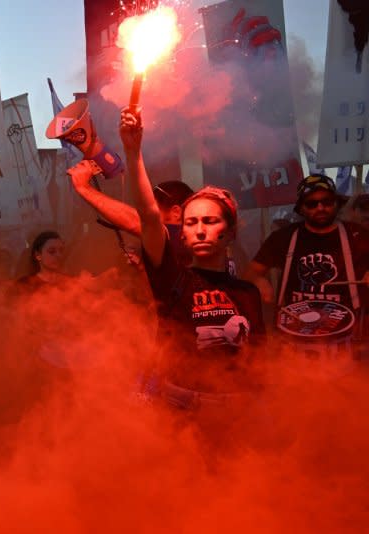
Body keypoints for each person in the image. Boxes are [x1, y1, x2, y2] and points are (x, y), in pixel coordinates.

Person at [120, 107, 265, 410]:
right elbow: (148, 216)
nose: (199, 230)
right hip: (182, 404)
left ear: (230, 231)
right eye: (191, 223)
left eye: (210, 222)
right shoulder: (172, 277)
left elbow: (260, 361)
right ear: (181, 234)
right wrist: (133, 153)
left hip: (238, 406)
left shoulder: (247, 293)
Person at [244, 174, 369, 361]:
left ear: (336, 203)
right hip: (292, 342)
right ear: (301, 208)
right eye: (312, 204)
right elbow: (251, 273)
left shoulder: (359, 236)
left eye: (327, 201)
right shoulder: (283, 237)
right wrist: (259, 281)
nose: (320, 208)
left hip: (347, 342)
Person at [67, 159, 193, 263]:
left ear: (176, 213)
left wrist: (84, 187)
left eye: (153, 211)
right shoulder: (167, 246)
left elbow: (137, 222)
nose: (146, 215)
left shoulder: (185, 237)